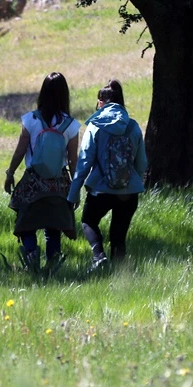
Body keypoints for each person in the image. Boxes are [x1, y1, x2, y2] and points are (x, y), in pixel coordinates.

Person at [3, 72, 81, 272]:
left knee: (26, 221)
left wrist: (10, 173)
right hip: (59, 182)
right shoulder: (71, 125)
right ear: (64, 94)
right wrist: (75, 187)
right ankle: (53, 263)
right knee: (53, 225)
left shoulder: (31, 119)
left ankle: (31, 254)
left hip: (33, 181)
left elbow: (20, 150)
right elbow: (73, 160)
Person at [67, 79, 147, 268]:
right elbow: (142, 163)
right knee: (119, 236)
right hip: (129, 192)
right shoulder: (133, 126)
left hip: (101, 191)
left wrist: (73, 194)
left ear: (101, 103)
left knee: (88, 221)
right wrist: (131, 180)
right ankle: (120, 277)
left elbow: (84, 163)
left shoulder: (95, 126)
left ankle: (98, 256)